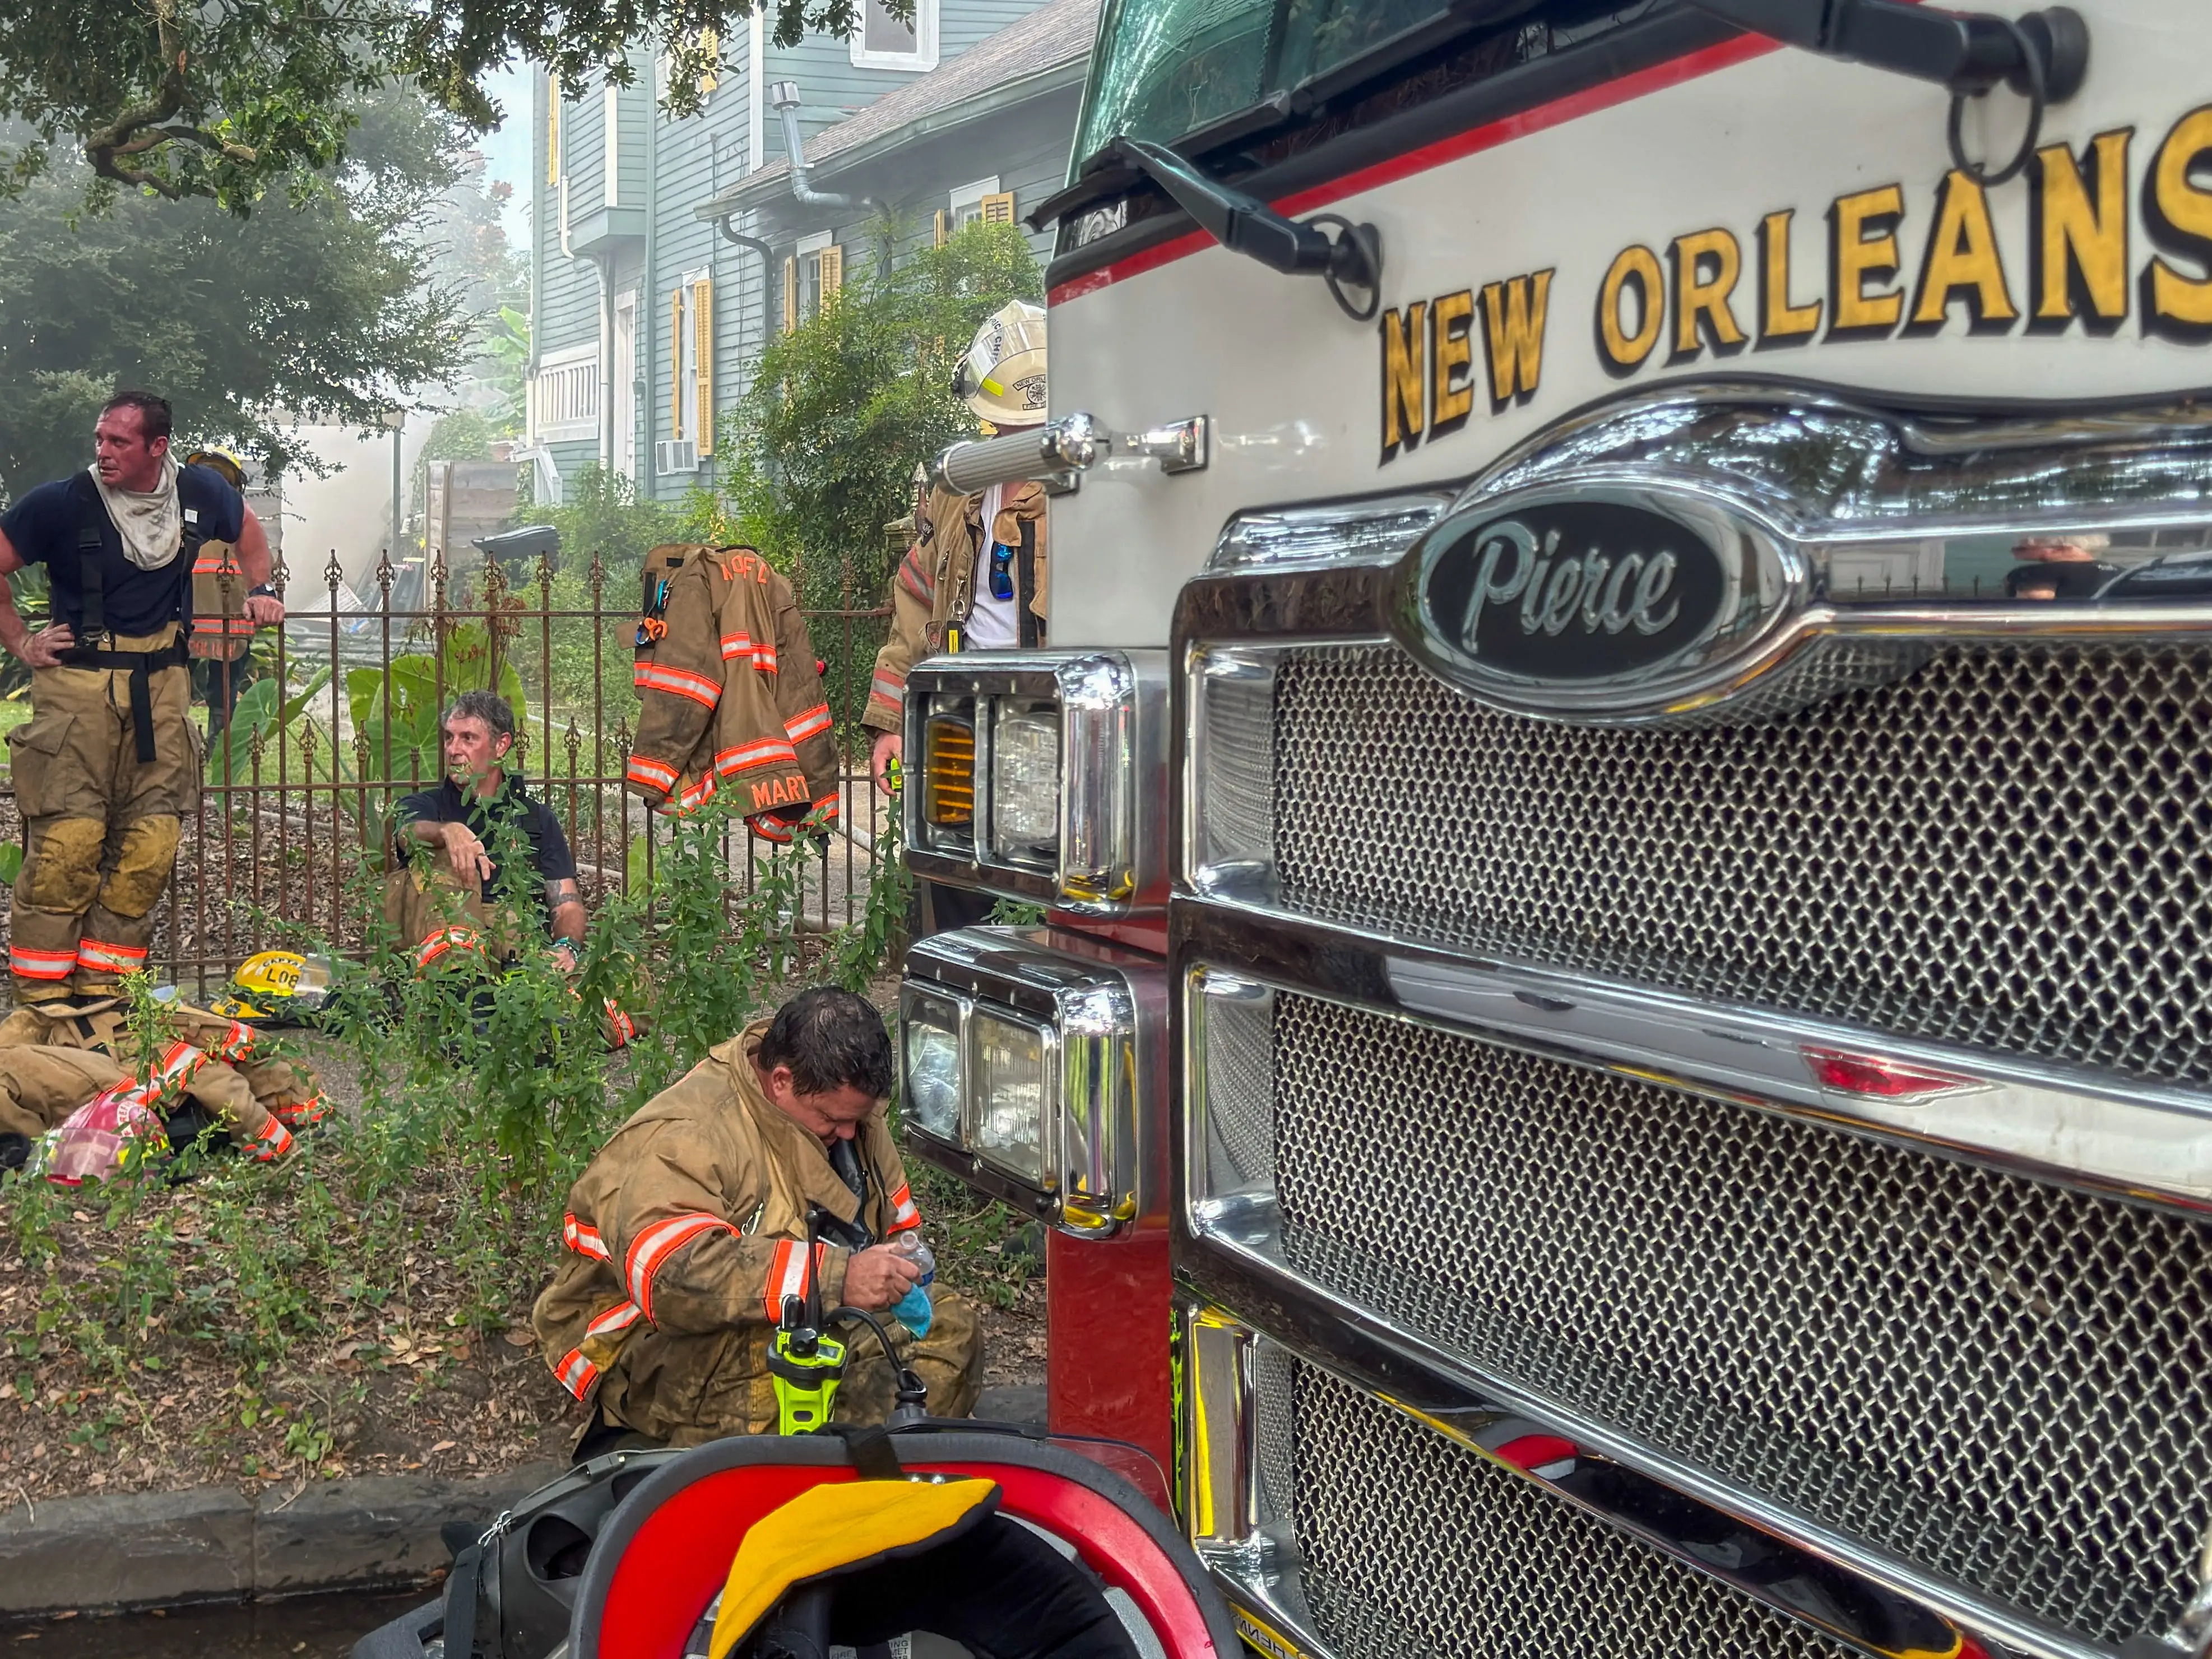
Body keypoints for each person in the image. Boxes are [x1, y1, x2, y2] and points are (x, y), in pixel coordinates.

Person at [533, 986, 984, 1454]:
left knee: (947, 1328)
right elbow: (670, 1280)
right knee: (782, 1370)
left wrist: (898, 1268)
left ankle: (848, 1477)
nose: (851, 1133)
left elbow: (893, 1225)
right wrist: (837, 1278)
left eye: (859, 1119)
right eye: (834, 1120)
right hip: (647, 1339)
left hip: (797, 1311)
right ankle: (803, 1481)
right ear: (781, 1081)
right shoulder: (692, 1135)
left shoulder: (845, 1112)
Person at [0, 391, 284, 1006]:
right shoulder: (61, 501)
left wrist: (261, 588)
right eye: (100, 439)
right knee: (68, 844)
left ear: (158, 447)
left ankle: (106, 993)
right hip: (77, 689)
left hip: (163, 686)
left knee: (151, 844)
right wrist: (22, 641)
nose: (103, 451)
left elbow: (249, 533)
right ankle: (43, 1003)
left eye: (119, 442)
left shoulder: (202, 494)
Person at [864, 300, 1050, 933]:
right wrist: (891, 722)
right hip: (957, 717)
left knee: (1042, 886)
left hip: (1046, 722)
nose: (1013, 439)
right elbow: (915, 599)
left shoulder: (1089, 485)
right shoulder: (959, 486)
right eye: (1004, 426)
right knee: (951, 885)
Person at [384, 691, 585, 972]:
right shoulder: (426, 806)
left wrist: (566, 947)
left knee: (622, 978)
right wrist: (447, 833)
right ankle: (467, 984)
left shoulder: (535, 820)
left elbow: (567, 905)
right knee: (442, 862)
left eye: (468, 738)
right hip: (445, 967)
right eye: (449, 737)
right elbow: (408, 833)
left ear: (501, 745)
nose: (454, 749)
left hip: (520, 962)